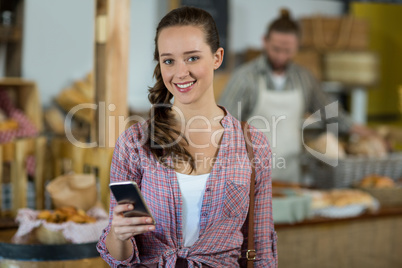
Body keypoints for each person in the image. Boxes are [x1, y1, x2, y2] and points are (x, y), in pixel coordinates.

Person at [97, 6, 277, 268]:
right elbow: (119, 259)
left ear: (217, 57)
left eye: (192, 58)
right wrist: (119, 233)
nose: (180, 73)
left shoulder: (253, 144)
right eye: (169, 60)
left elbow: (261, 249)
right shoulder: (135, 142)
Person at [219, 9, 372, 183]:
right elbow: (223, 124)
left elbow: (330, 113)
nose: (281, 56)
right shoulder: (245, 78)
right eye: (276, 49)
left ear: (297, 47)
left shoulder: (304, 78)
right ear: (265, 42)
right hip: (250, 176)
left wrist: (366, 133)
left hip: (291, 173)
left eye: (288, 51)